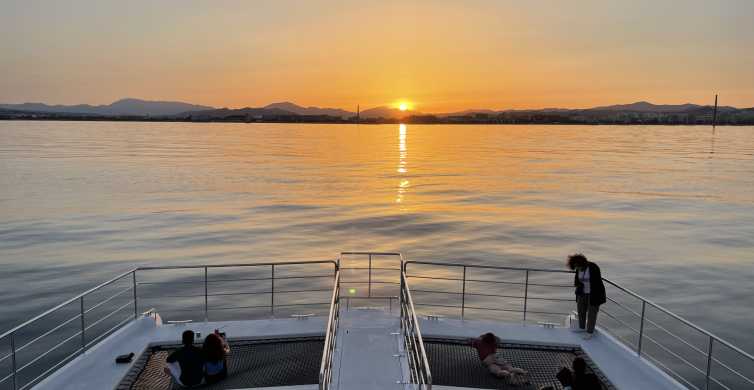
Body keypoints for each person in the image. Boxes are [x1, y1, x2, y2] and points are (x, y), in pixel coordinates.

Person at [567, 253, 606, 339]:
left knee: (592, 313)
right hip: (582, 293)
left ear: (581, 263)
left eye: (577, 266)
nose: (576, 268)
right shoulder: (578, 269)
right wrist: (579, 286)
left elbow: (597, 282)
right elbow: (576, 281)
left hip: (594, 294)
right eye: (575, 267)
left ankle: (590, 332)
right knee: (581, 310)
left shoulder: (593, 267)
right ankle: (582, 327)